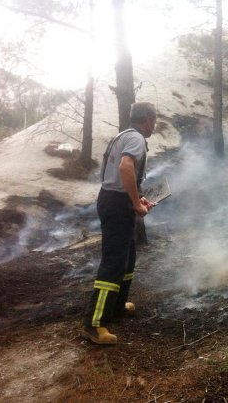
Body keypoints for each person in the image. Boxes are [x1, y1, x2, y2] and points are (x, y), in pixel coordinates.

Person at [82, 102, 157, 345]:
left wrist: (137, 197)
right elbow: (125, 167)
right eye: (153, 121)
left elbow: (121, 174)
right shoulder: (135, 138)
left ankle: (115, 308)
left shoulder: (123, 136)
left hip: (115, 199)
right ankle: (94, 324)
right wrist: (136, 203)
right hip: (117, 203)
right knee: (114, 262)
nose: (154, 126)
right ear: (147, 120)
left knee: (127, 258)